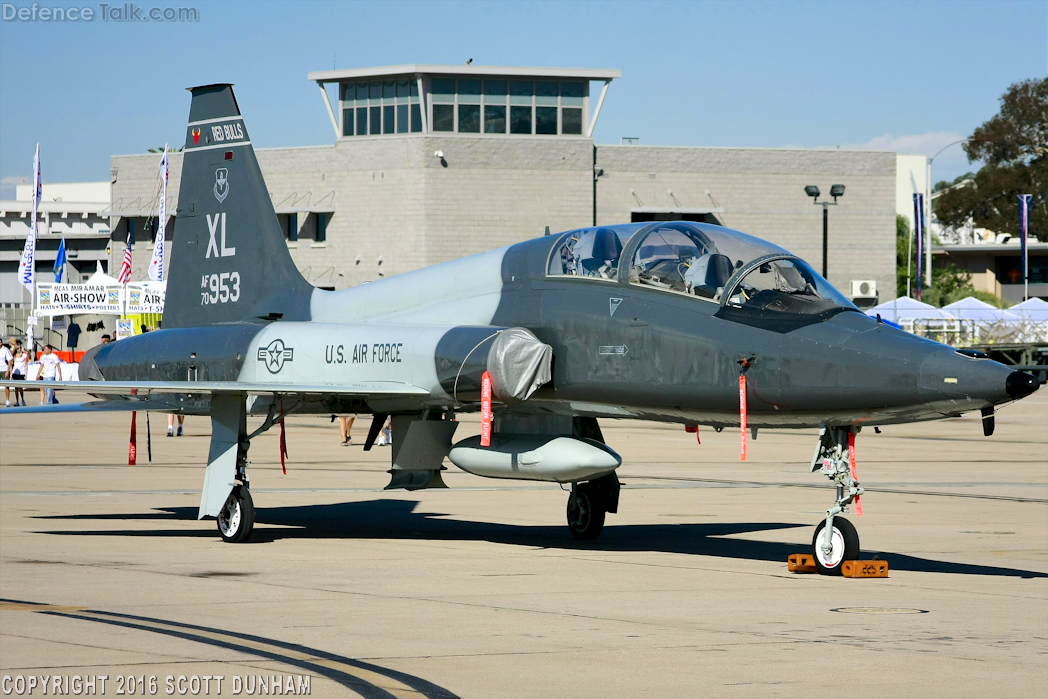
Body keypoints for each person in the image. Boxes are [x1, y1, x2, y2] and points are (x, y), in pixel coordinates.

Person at [9, 342, 27, 407]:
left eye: (20, 348)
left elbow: (26, 364)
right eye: (18, 348)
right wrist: (11, 372)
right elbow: (11, 364)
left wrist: (26, 373)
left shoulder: (24, 355)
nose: (19, 349)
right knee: (16, 388)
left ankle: (22, 399)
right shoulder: (14, 355)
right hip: (15, 372)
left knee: (20, 387)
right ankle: (17, 401)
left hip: (21, 373)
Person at [1, 339, 12, 407]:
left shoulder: (5, 350)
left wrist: (8, 370)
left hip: (4, 369)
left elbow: (10, 360)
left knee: (6, 385)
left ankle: (7, 400)